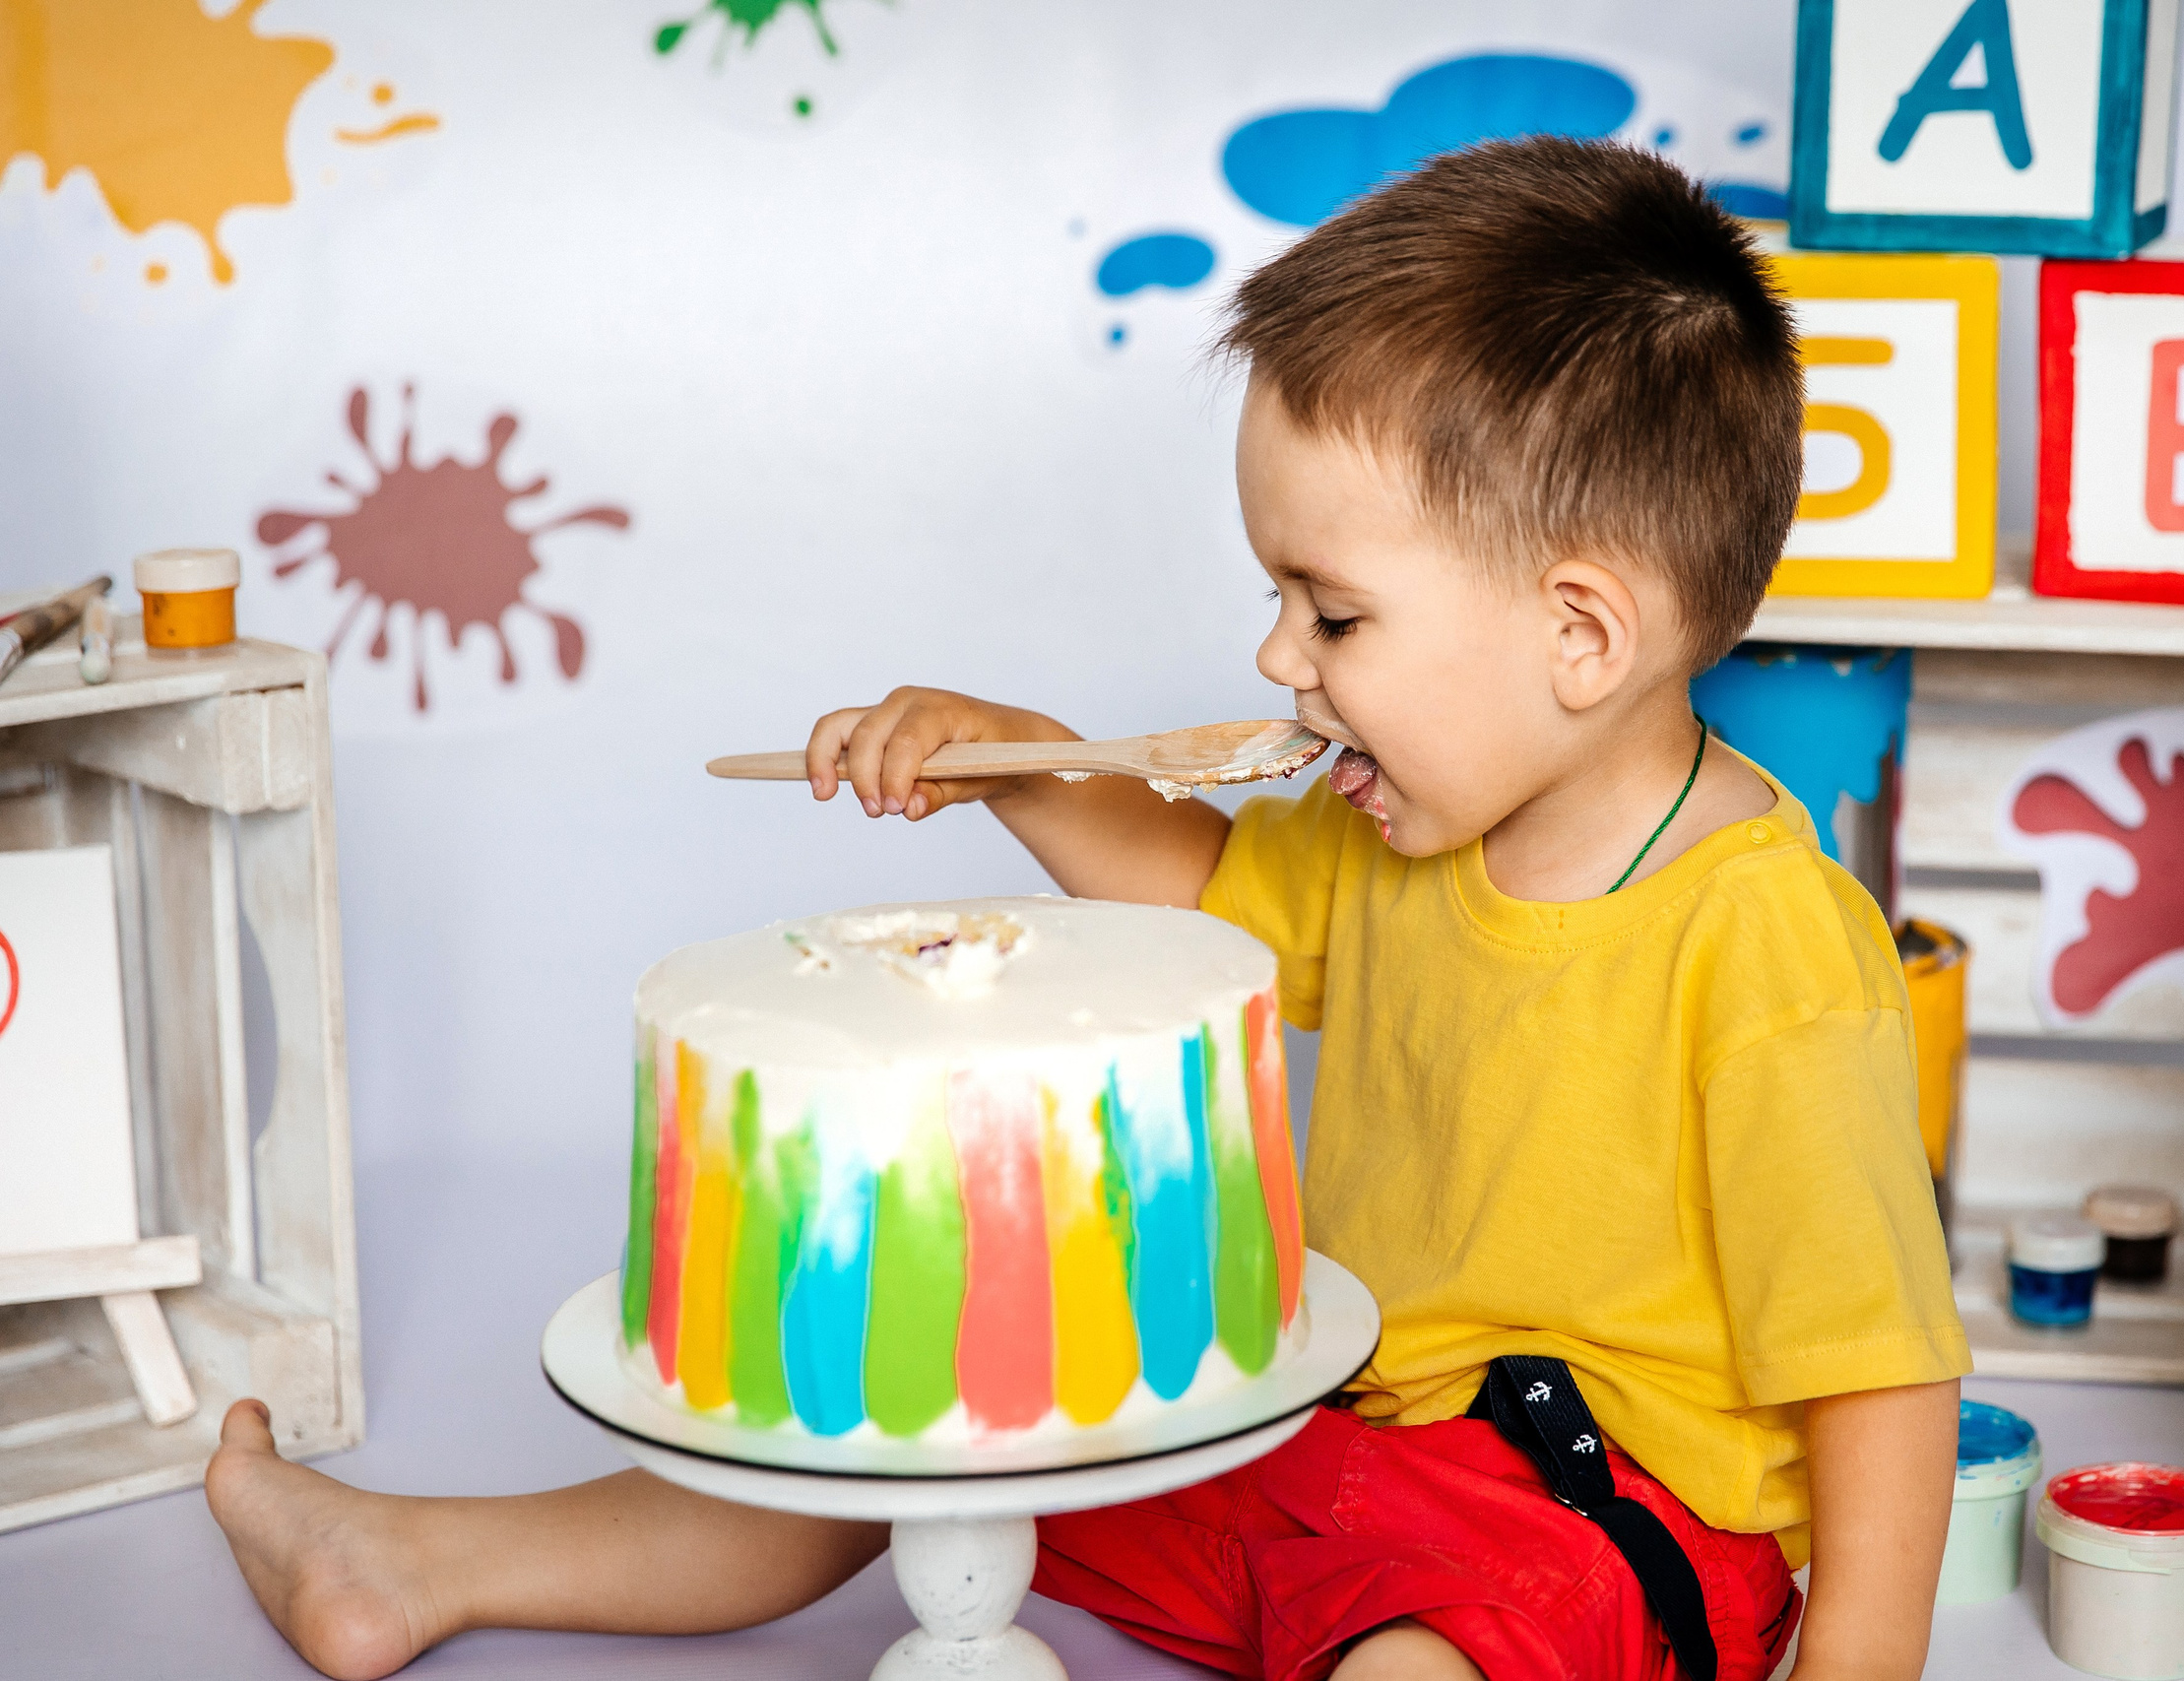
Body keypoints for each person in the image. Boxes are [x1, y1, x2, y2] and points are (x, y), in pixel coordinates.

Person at [208, 136, 1966, 1681]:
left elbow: (1878, 1363)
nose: (1276, 660)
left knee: (1430, 1663)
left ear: (1581, 634)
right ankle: (422, 1561)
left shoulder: (1766, 943)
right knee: (929, 1444)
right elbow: (1204, 893)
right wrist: (1020, 762)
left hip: (1586, 1517)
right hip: (1322, 1429)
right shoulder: (1417, 824)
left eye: (1331, 615)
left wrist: (1864, 1664)